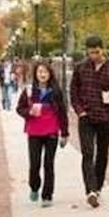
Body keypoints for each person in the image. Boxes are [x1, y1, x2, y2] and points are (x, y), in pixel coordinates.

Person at [70, 35, 109, 208]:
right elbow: (73, 92)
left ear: (102, 49)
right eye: (90, 52)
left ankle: (98, 186)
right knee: (88, 153)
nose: (93, 56)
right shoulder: (80, 68)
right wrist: (80, 111)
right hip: (86, 117)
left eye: (96, 52)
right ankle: (90, 191)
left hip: (105, 117)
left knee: (102, 153)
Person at [16, 63, 70, 208]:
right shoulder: (28, 91)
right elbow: (19, 109)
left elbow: (63, 113)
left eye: (45, 71)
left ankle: (47, 195)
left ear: (50, 74)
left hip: (51, 131)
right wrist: (29, 112)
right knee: (34, 164)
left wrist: (64, 133)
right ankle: (34, 187)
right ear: (35, 74)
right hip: (34, 131)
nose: (42, 74)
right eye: (40, 71)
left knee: (48, 164)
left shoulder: (56, 91)